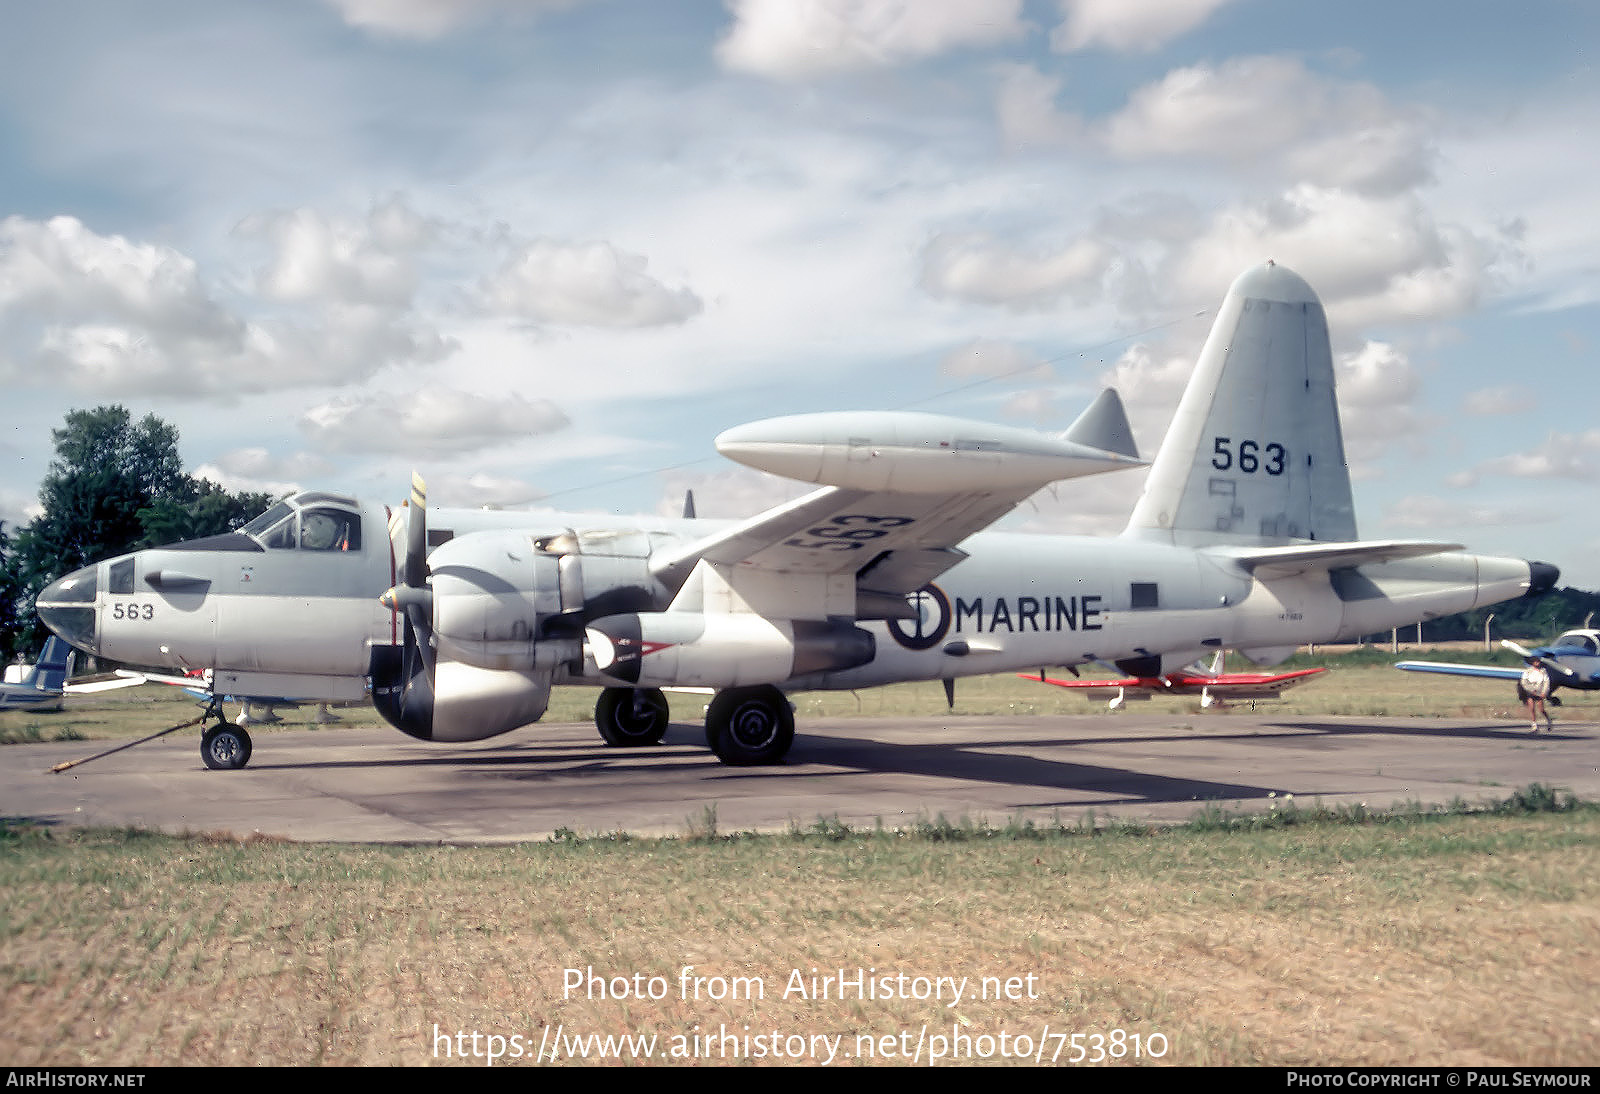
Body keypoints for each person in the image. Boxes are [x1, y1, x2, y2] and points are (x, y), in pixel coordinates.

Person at [1517, 657, 1553, 732]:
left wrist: (1544, 692)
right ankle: (1534, 725)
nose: (1537, 663)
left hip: (1540, 691)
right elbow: (1524, 682)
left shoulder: (1543, 671)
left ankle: (1549, 721)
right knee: (1532, 708)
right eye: (1536, 662)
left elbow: (1546, 682)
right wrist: (1530, 690)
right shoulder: (1528, 671)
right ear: (1532, 663)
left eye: (1538, 662)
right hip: (1531, 691)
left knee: (1541, 709)